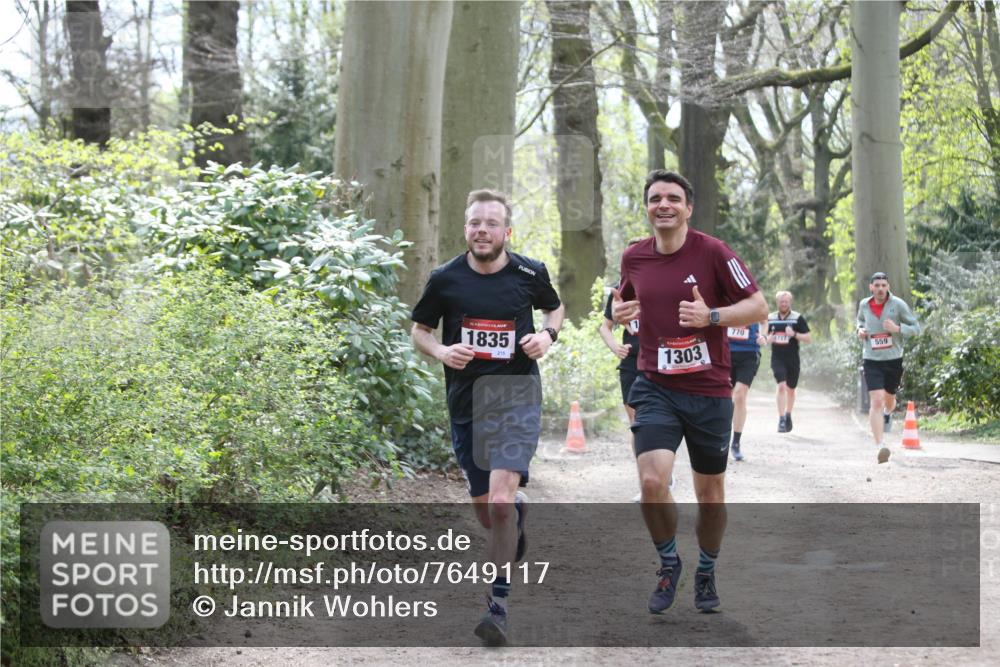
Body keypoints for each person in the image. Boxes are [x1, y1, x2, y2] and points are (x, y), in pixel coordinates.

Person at [411, 189, 564, 645]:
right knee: (488, 510)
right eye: (475, 223)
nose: (482, 230)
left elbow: (554, 307)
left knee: (498, 501)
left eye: (491, 223)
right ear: (465, 229)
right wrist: (441, 349)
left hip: (515, 393)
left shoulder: (529, 272)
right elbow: (420, 330)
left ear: (506, 232)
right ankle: (514, 514)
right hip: (466, 401)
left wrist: (547, 336)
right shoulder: (445, 279)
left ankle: (497, 608)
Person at [612, 170, 768, 615]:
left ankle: (706, 571)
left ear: (688, 208)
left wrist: (712, 317)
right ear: (647, 206)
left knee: (711, 496)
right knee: (650, 482)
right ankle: (668, 563)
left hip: (708, 390)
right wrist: (621, 311)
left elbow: (757, 306)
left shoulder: (713, 252)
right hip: (655, 385)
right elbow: (624, 302)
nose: (664, 204)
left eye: (673, 198)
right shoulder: (634, 257)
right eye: (656, 198)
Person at [599, 278, 675, 500]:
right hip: (631, 361)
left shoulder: (660, 286)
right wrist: (615, 347)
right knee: (635, 422)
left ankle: (661, 471)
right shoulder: (619, 293)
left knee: (657, 420)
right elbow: (605, 327)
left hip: (658, 360)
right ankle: (647, 478)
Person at [856, 271, 921, 464]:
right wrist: (859, 330)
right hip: (871, 359)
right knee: (876, 400)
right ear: (871, 288)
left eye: (884, 285)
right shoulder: (864, 305)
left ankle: (887, 413)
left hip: (893, 360)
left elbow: (916, 328)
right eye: (877, 286)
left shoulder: (898, 305)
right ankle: (879, 445)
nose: (880, 289)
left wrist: (898, 329)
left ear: (888, 287)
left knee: (889, 401)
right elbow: (859, 321)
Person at [766, 291, 811, 432]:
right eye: (781, 301)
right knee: (781, 387)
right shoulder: (771, 318)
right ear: (777, 302)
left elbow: (808, 338)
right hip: (777, 358)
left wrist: (795, 334)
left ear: (790, 302)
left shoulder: (797, 318)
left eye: (786, 301)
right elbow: (764, 337)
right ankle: (781, 419)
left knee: (791, 389)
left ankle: (788, 414)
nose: (783, 304)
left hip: (792, 359)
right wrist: (768, 339)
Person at [726, 320, 768, 460]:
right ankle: (722, 438)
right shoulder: (724, 299)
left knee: (739, 394)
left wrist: (764, 336)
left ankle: (736, 443)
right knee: (724, 397)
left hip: (749, 353)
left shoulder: (754, 299)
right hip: (725, 352)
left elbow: (764, 321)